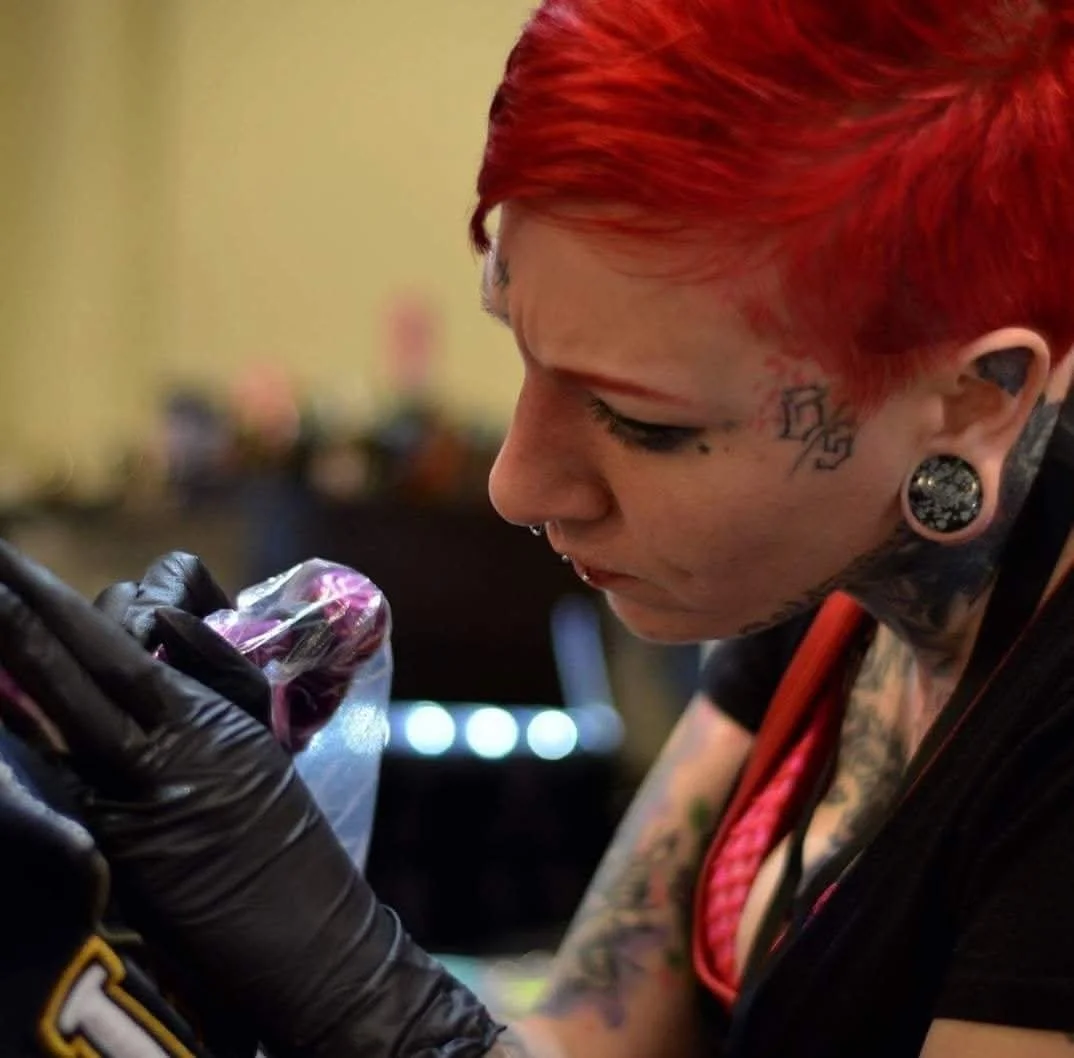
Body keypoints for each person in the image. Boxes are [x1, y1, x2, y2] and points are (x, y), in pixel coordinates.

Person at [3, 0, 1074, 1055]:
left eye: (644, 421)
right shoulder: (835, 570)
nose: (516, 483)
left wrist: (363, 997)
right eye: (517, 342)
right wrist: (223, 933)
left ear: (979, 395)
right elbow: (584, 1037)